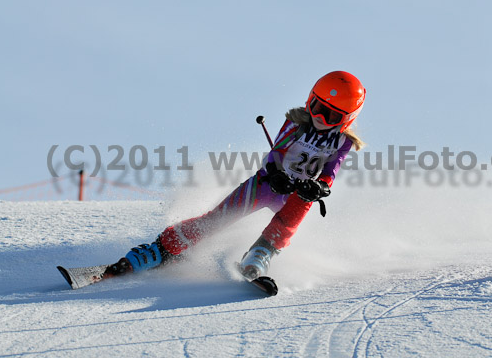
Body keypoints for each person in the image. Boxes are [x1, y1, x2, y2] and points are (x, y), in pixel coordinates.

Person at [103, 71, 366, 281]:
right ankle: (161, 249)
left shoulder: (342, 141)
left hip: (296, 195)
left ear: (346, 118)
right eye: (317, 106)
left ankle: (262, 252)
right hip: (266, 185)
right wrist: (274, 174)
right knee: (217, 220)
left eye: (330, 115)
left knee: (296, 212)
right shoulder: (296, 122)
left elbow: (332, 170)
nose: (320, 117)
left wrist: (319, 188)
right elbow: (276, 153)